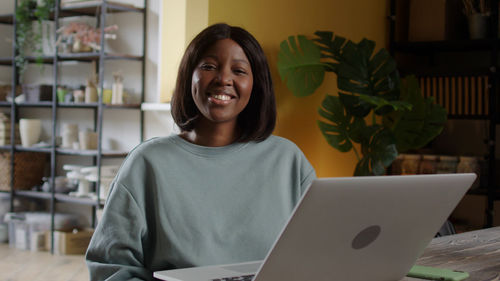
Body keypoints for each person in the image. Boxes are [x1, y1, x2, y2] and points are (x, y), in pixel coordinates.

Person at [86, 23, 316, 280]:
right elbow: (112, 269)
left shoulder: (288, 161)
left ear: (256, 84)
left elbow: (321, 253)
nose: (224, 79)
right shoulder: (147, 163)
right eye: (209, 66)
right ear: (189, 76)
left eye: (239, 70)